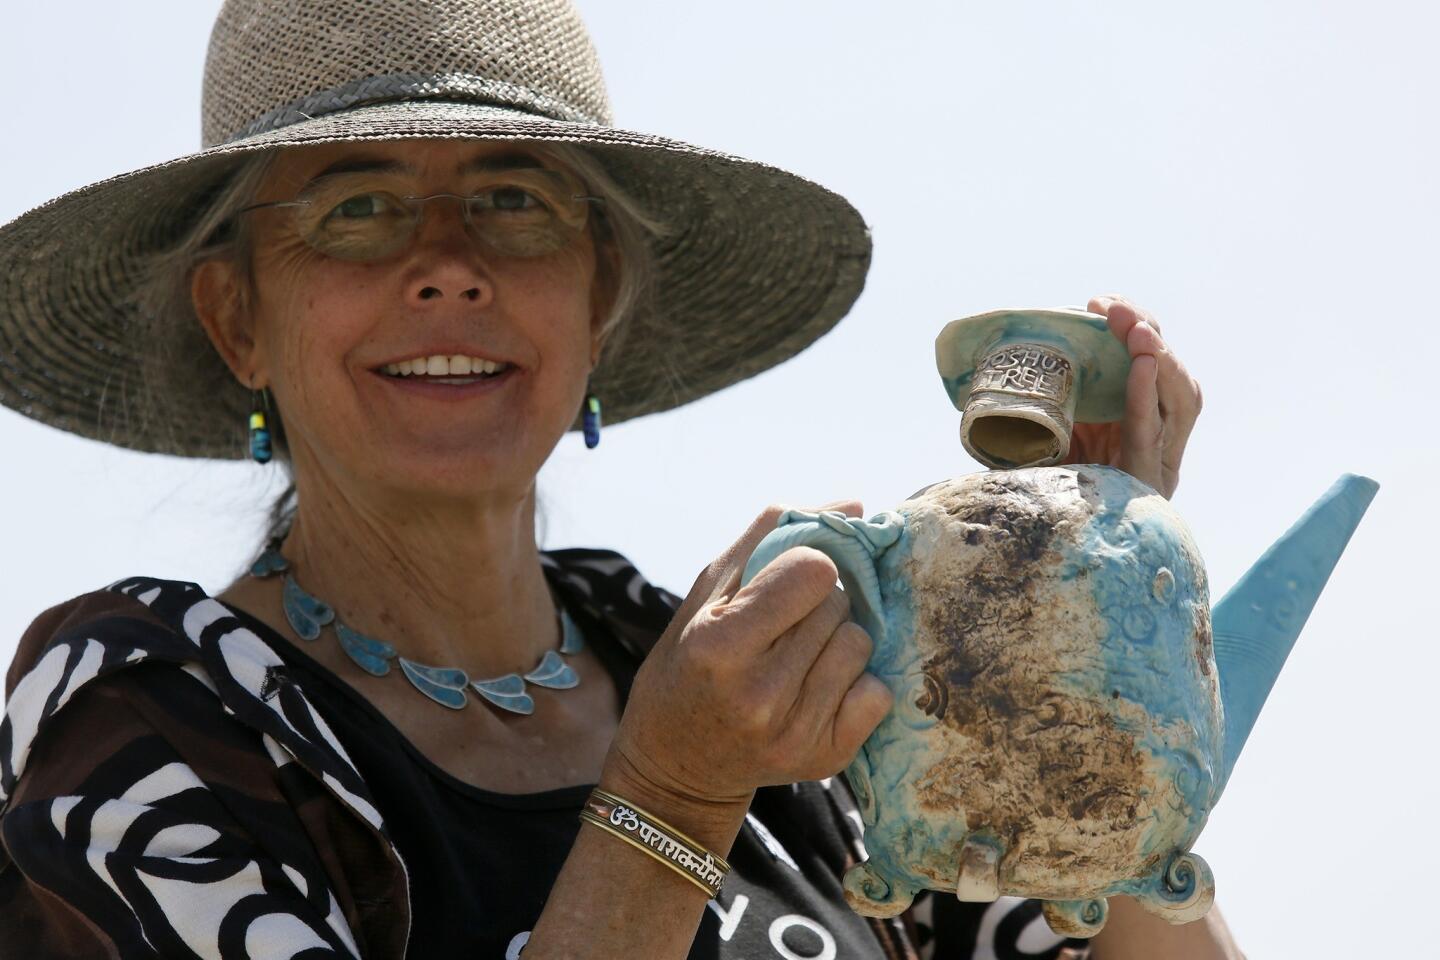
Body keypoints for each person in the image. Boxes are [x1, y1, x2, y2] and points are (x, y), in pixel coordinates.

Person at [0, 1, 1241, 957]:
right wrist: (673, 792)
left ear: (599, 306)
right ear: (239, 322)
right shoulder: (151, 710)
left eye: (515, 199)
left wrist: (1097, 658)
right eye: (359, 207)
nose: (448, 268)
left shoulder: (736, 675)